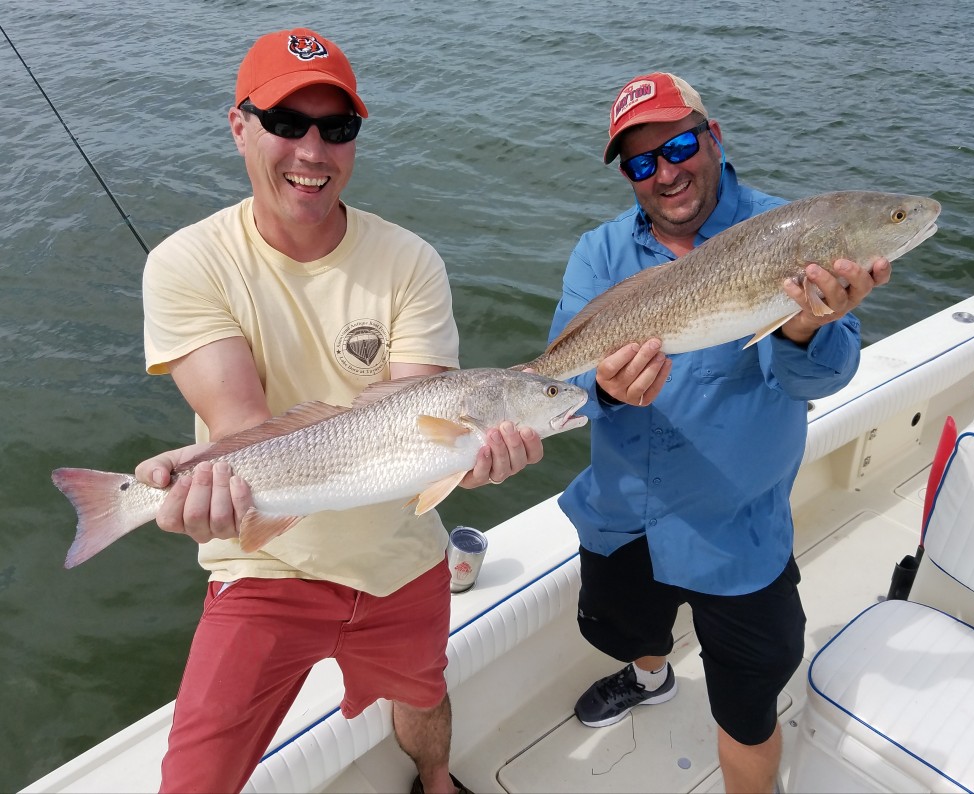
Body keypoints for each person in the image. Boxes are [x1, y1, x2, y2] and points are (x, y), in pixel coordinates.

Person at [134, 27, 544, 794]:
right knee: (194, 777)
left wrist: (473, 460)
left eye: (338, 128)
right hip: (262, 566)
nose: (313, 151)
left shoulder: (410, 260)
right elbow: (241, 427)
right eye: (287, 124)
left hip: (399, 559)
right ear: (239, 126)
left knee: (424, 691)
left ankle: (436, 776)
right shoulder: (187, 262)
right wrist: (201, 484)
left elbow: (421, 414)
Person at [548, 72, 891, 793]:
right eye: (642, 163)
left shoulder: (795, 233)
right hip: (621, 518)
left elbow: (824, 379)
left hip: (735, 535)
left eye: (677, 146)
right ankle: (649, 678)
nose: (665, 172)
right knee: (625, 631)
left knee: (749, 704)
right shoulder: (600, 253)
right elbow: (563, 383)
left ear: (713, 137)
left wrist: (802, 329)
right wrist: (604, 390)